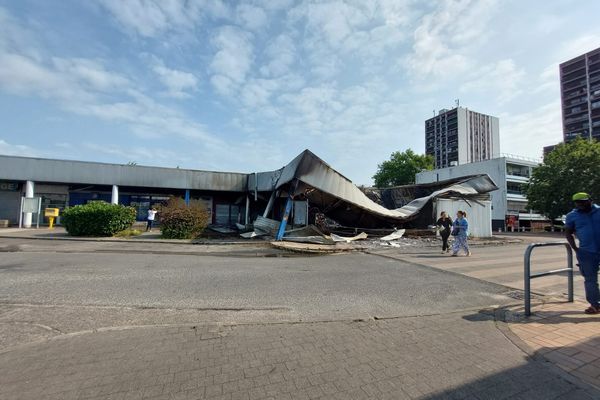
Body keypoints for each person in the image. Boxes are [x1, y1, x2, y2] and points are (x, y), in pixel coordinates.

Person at [565, 192, 600, 314]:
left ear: (590, 200)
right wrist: (575, 248)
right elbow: (568, 232)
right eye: (578, 203)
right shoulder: (572, 216)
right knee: (590, 280)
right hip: (586, 253)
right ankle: (595, 305)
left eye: (584, 201)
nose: (582, 204)